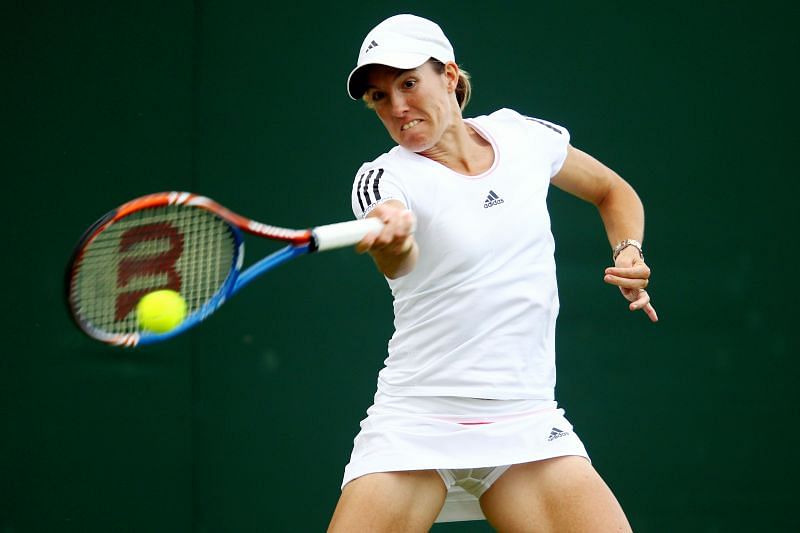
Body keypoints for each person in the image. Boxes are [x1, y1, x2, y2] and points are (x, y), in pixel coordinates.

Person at [329, 14, 657, 532]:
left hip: (526, 420)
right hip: (417, 422)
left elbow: (611, 190)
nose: (397, 107)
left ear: (451, 77)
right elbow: (399, 260)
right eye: (379, 98)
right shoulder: (383, 178)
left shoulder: (523, 138)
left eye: (408, 83)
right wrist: (390, 238)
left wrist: (629, 250)